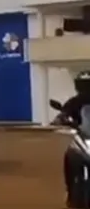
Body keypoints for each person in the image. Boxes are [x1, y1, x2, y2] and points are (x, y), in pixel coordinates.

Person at [56, 71, 90, 207]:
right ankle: (69, 188)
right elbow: (63, 114)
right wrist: (61, 119)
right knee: (70, 156)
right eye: (84, 84)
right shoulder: (74, 102)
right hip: (83, 135)